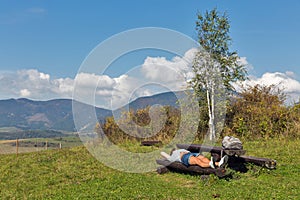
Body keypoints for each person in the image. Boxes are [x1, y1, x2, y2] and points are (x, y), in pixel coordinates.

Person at [160, 149, 228, 169]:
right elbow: (163, 153)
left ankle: (218, 163)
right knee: (197, 161)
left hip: (191, 153)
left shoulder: (179, 149)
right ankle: (212, 164)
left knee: (203, 158)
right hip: (184, 158)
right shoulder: (172, 157)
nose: (174, 150)